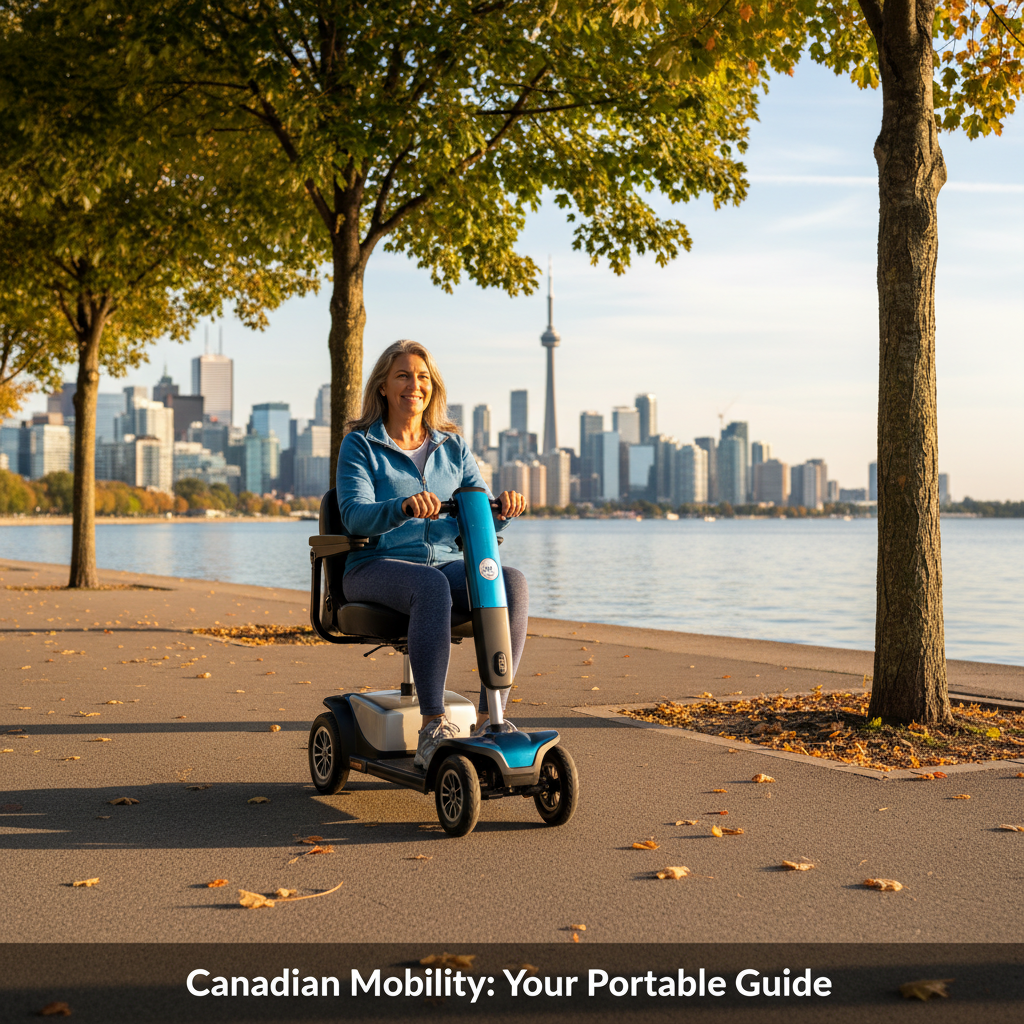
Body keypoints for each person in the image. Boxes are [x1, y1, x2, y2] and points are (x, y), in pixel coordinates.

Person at [336, 339, 528, 769]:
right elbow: (352, 516)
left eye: (422, 377)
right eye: (403, 375)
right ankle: (433, 725)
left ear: (433, 387)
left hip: (442, 563)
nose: (414, 385)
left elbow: (477, 518)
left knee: (511, 581)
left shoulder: (452, 447)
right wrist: (401, 507)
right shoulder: (361, 445)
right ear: (383, 386)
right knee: (432, 584)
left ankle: (490, 719)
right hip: (374, 565)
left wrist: (503, 511)